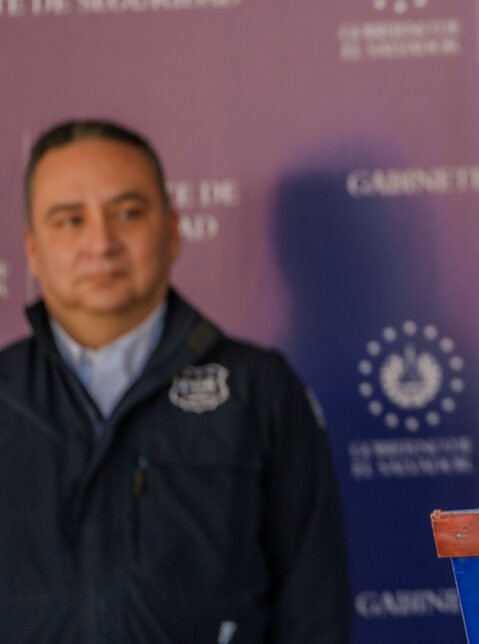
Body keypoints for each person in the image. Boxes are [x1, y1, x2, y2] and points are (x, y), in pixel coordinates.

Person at [0, 119, 350, 643]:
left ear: (171, 229)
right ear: (32, 249)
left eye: (128, 213)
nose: (101, 242)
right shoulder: (5, 395)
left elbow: (314, 609)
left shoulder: (260, 391)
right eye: (70, 220)